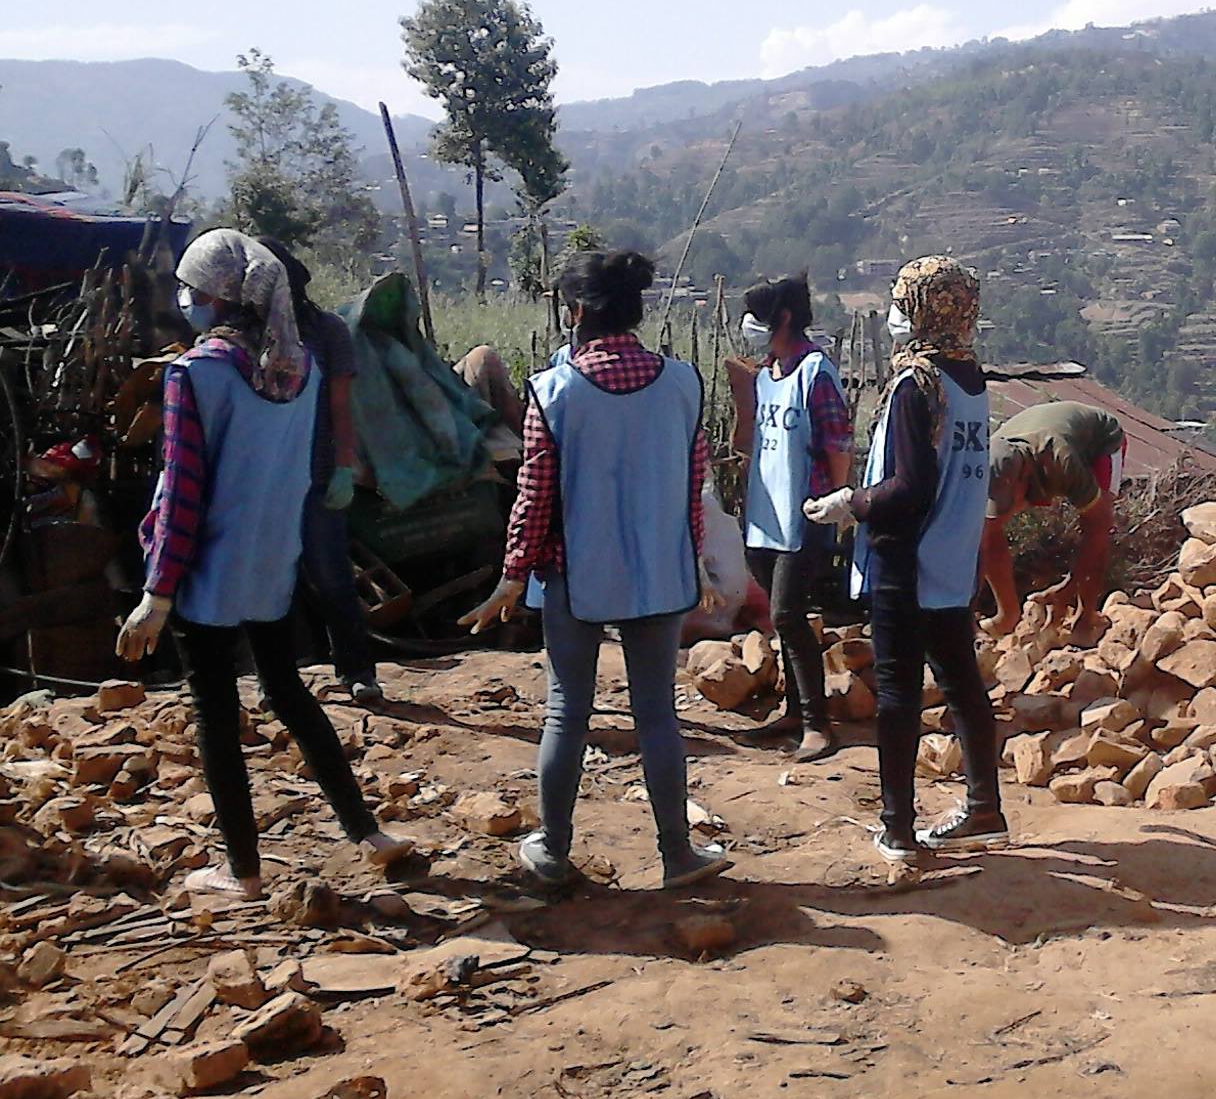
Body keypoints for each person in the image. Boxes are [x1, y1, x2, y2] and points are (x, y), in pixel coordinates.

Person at [117, 229, 411, 898]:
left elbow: (183, 487)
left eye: (191, 291)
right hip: (272, 564)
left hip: (206, 574)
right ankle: (367, 831)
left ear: (217, 298)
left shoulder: (194, 375)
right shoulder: (297, 370)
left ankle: (243, 871)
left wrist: (157, 593)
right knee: (290, 694)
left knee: (216, 718)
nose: (186, 301)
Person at [463, 250, 730, 890]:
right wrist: (695, 559)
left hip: (575, 575)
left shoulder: (552, 393)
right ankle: (676, 856)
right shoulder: (685, 383)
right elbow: (694, 487)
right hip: (661, 575)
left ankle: (552, 851)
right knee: (657, 715)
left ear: (576, 312)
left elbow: (534, 493)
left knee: (567, 713)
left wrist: (511, 575)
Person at [805, 257, 1006, 864]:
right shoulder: (970, 380)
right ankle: (983, 808)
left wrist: (852, 502)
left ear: (923, 309)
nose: (893, 315)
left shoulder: (917, 384)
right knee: (961, 680)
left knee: (897, 692)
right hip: (951, 557)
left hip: (908, 559)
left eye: (901, 302)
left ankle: (896, 827)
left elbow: (910, 487)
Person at [728, 273, 852, 761]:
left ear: (781, 318)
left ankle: (817, 722)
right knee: (782, 619)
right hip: (763, 514)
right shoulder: (766, 373)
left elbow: (836, 442)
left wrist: (835, 503)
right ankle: (797, 709)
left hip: (801, 515)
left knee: (787, 614)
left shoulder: (814, 372)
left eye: (759, 316)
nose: (751, 327)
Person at [258, 237, 380, 704]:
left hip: (316, 473)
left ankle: (357, 671)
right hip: (266, 478)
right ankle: (277, 682)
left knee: (331, 576)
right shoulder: (246, 337)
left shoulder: (326, 331)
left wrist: (344, 467)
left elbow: (341, 407)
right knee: (272, 581)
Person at [979, 400, 1125, 639]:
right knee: (990, 527)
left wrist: (1069, 586)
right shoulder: (987, 462)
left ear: (1025, 477)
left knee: (1097, 521)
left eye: (1009, 499)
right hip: (1038, 432)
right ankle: (1008, 616)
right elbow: (985, 538)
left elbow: (1099, 526)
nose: (1007, 508)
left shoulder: (1060, 460)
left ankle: (1085, 617)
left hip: (1101, 440)